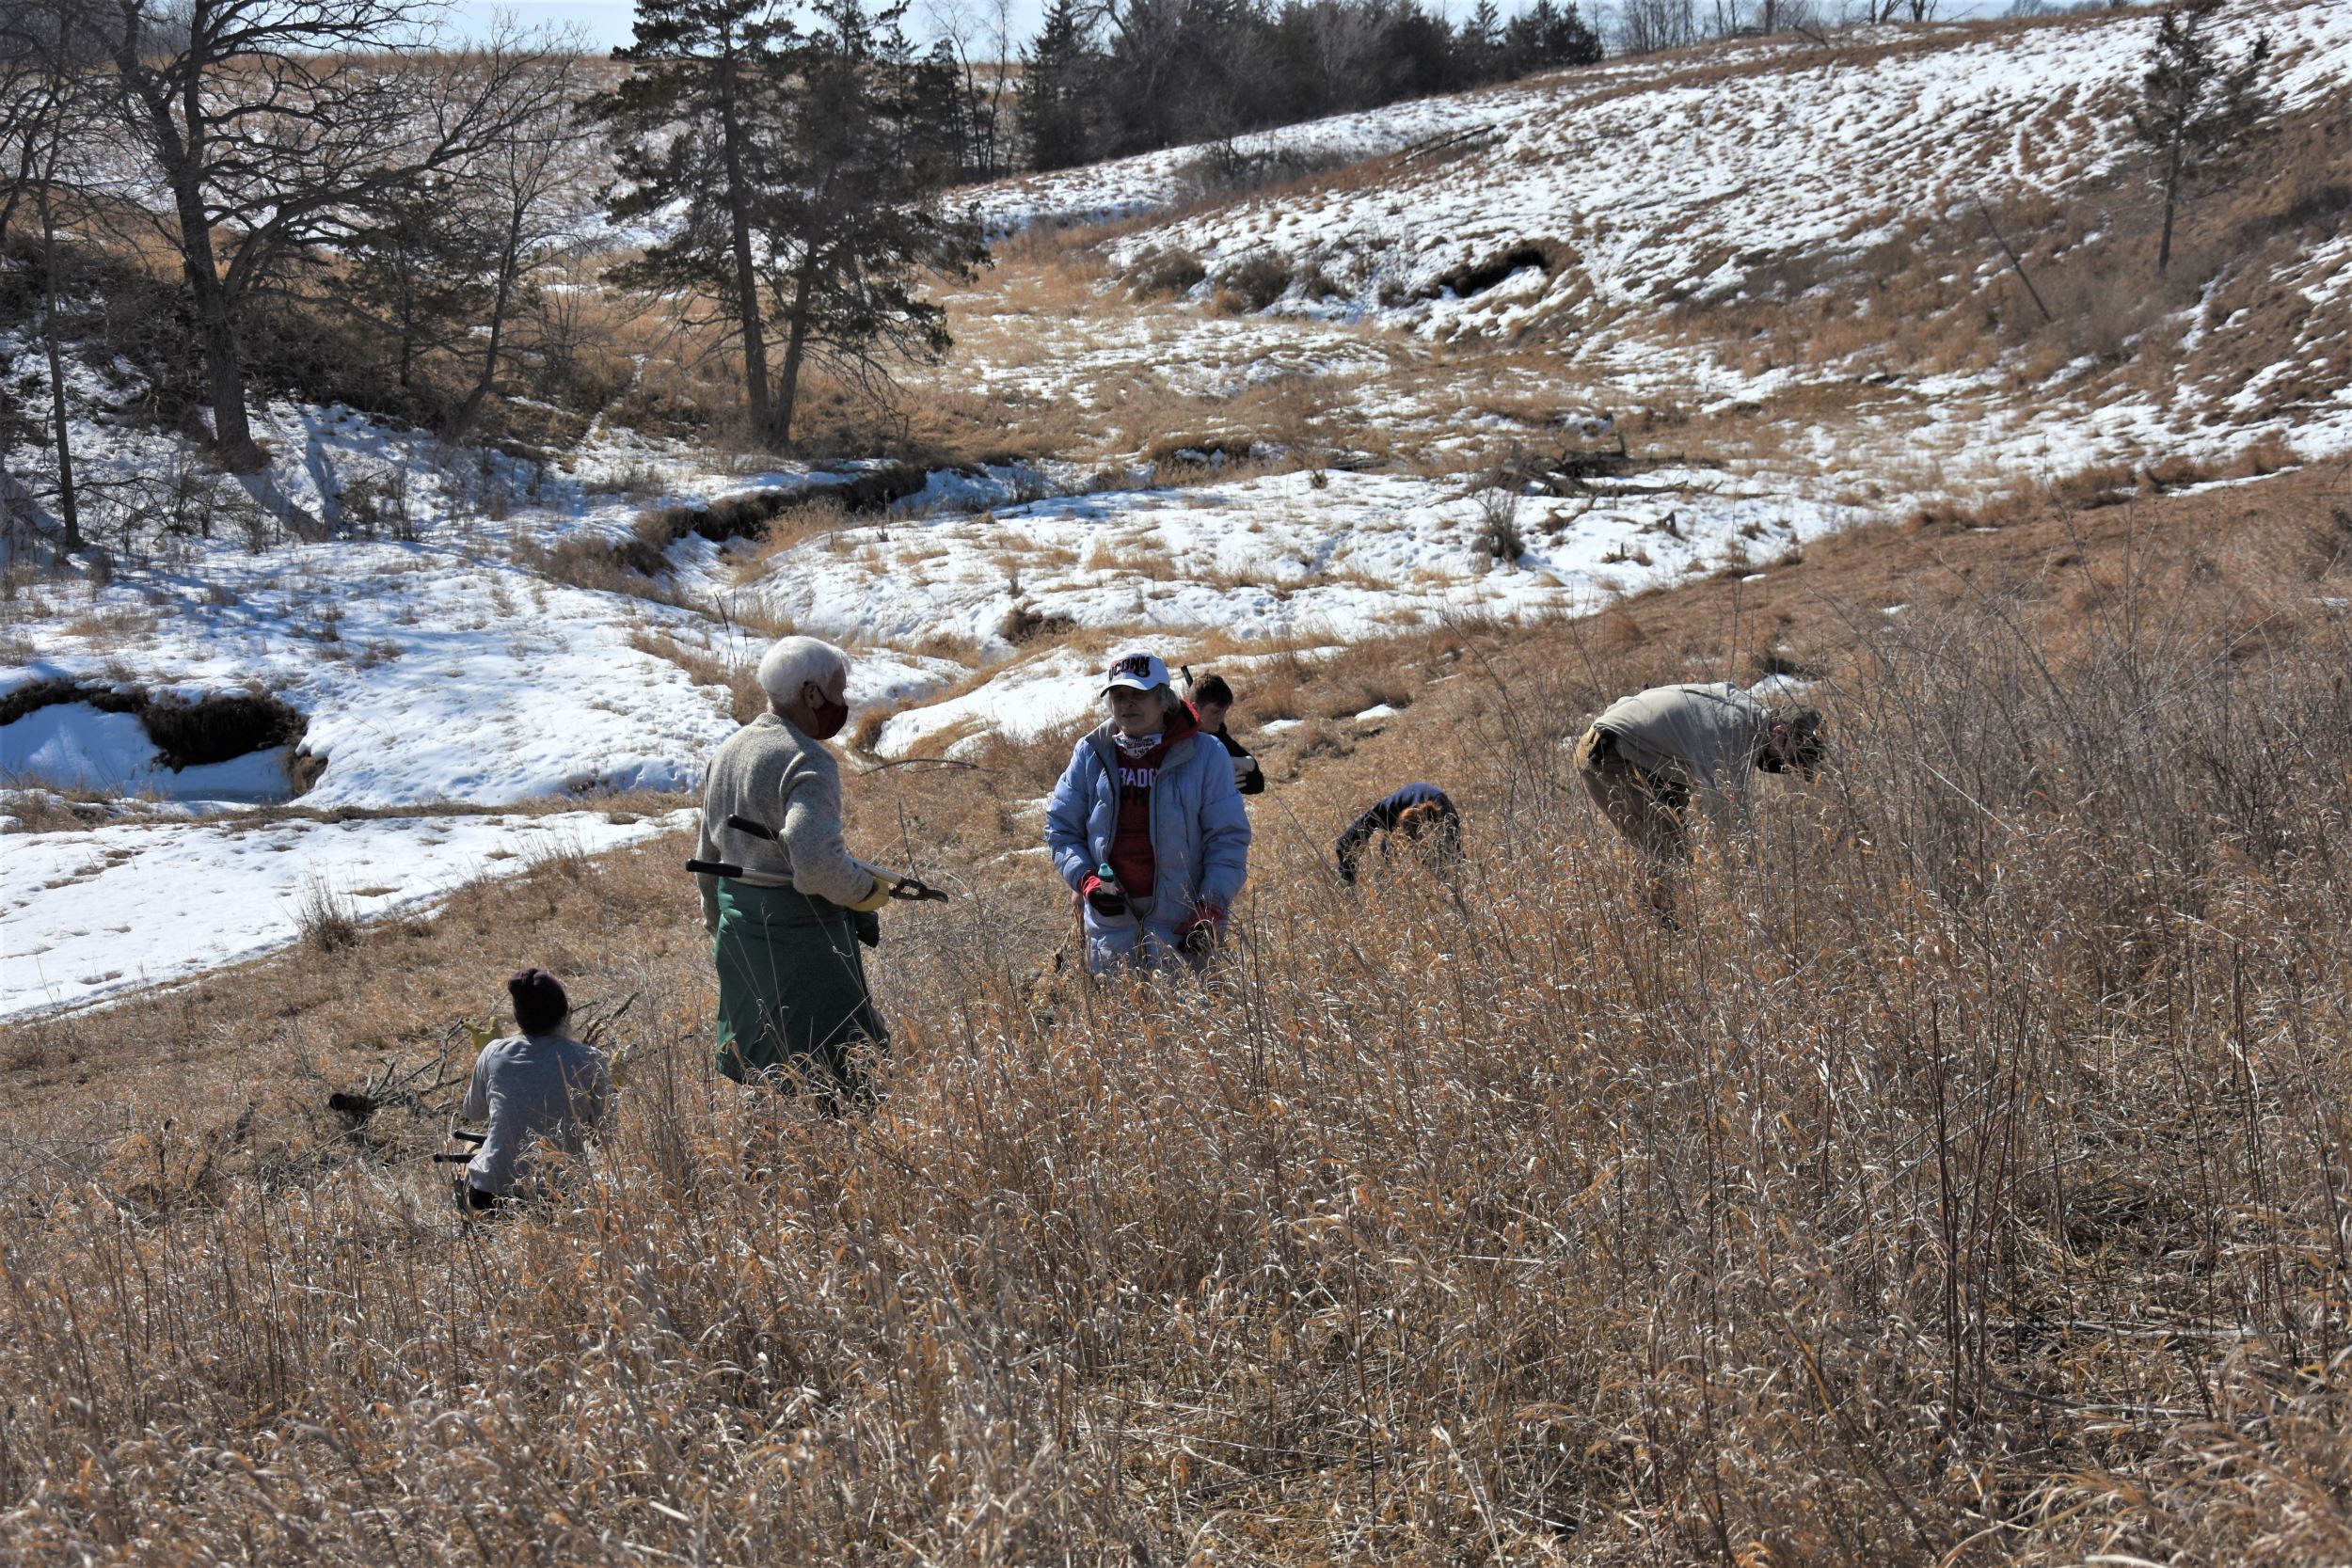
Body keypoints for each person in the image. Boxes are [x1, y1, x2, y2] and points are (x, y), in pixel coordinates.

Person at [696, 635, 895, 1103]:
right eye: (838, 692)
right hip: (803, 949)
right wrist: (864, 891)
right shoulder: (806, 760)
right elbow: (818, 864)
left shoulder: (727, 752)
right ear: (811, 694)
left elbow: (709, 859)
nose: (842, 704)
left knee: (767, 1084)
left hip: (740, 940)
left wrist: (718, 925)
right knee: (845, 1086)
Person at [1046, 648, 1251, 974]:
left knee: (1185, 1023)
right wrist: (1087, 881)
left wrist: (1209, 907)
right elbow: (1060, 828)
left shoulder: (1206, 754)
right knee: (1117, 1021)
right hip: (1110, 928)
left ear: (1163, 699)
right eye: (1118, 695)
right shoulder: (1092, 752)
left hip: (1185, 927)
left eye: (1138, 694)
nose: (1126, 704)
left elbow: (1227, 839)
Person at [1570, 681, 1824, 920]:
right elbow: (1727, 820)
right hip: (1608, 756)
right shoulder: (1733, 736)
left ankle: (1649, 907)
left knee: (1668, 841)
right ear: (1780, 732)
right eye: (1794, 756)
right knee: (1668, 851)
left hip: (1647, 756)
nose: (1789, 765)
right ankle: (1663, 927)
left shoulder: (1746, 712)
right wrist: (1754, 886)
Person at [458, 968, 613, 1211]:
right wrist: (611, 1089)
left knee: (469, 1148)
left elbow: (472, 1112)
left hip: (492, 1196)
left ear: (518, 1017)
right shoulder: (591, 1059)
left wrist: (487, 1059)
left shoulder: (493, 1052)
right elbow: (606, 1135)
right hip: (561, 1198)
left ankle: (474, 1232)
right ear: (564, 1012)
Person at [1334, 783, 1461, 885]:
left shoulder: (1447, 819)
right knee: (1387, 853)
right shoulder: (1387, 810)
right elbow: (1344, 842)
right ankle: (1389, 886)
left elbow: (1457, 857)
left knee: (1444, 863)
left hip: (1434, 808)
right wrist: (1348, 877)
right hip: (1404, 804)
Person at [1186, 672, 1265, 796]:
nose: (1221, 718)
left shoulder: (1218, 735)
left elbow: (1257, 784)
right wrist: (1218, 782)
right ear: (1195, 708)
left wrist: (1234, 767)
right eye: (1215, 712)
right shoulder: (1180, 739)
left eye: (1224, 711)